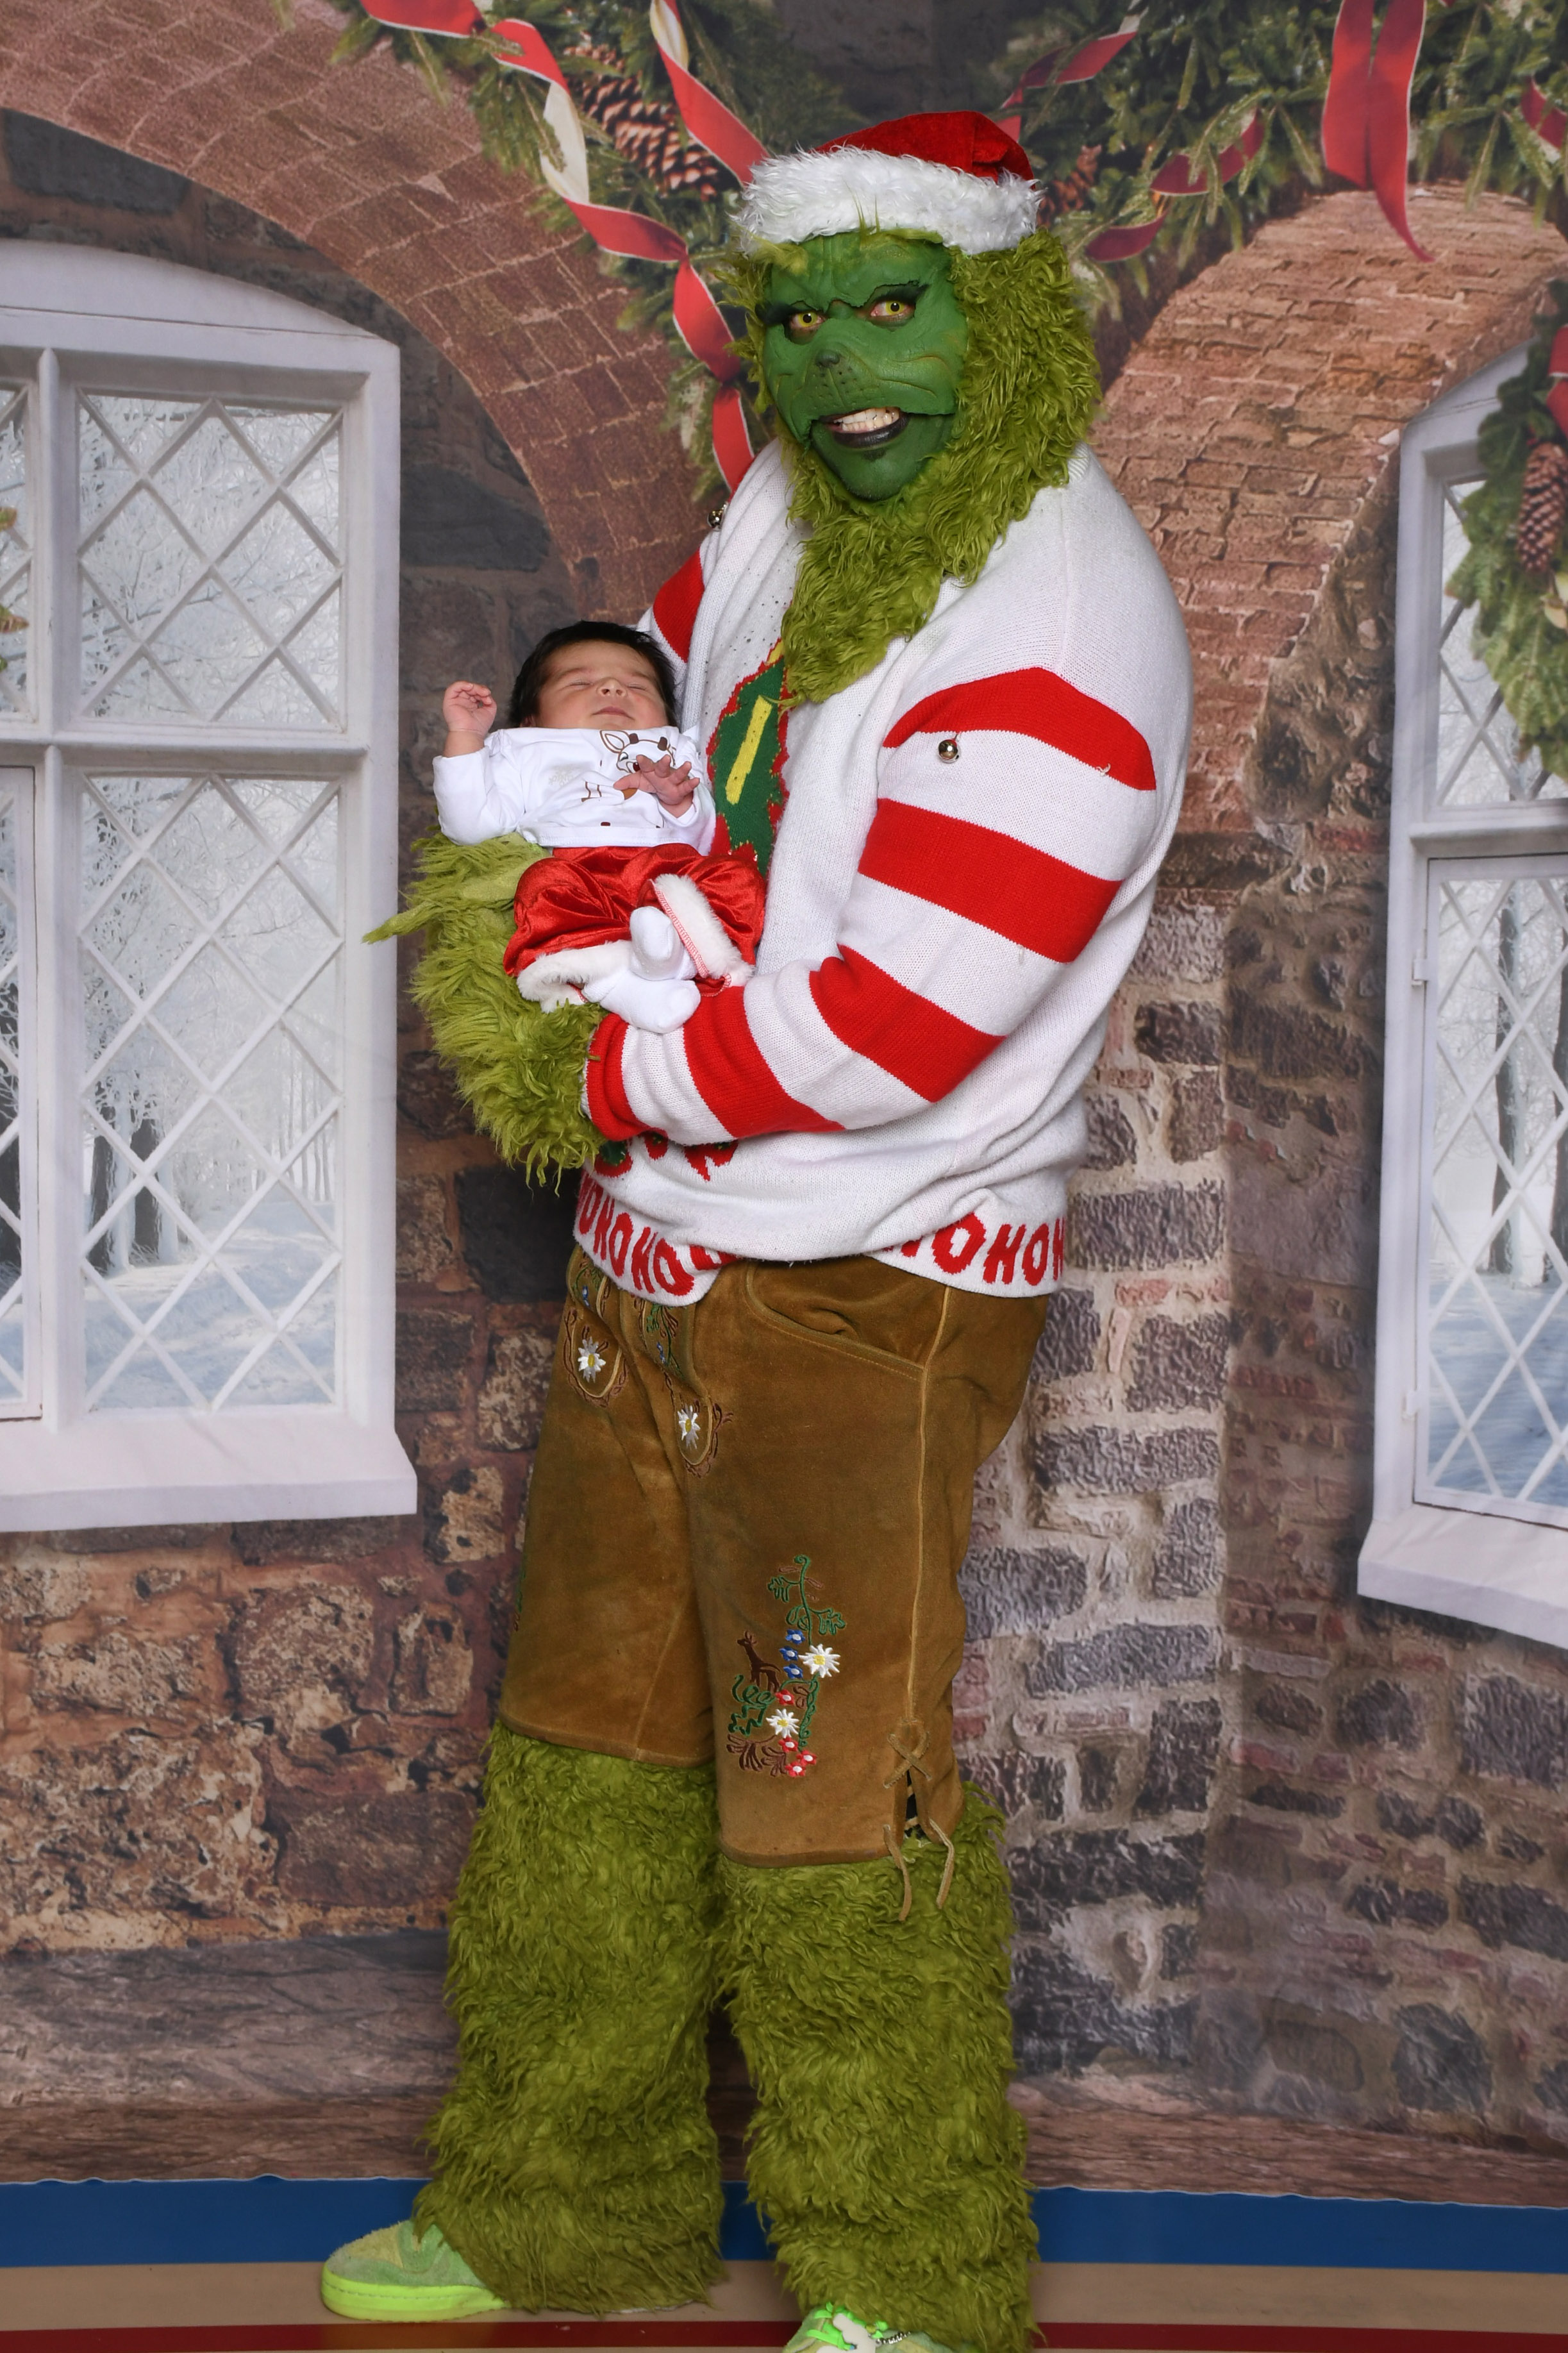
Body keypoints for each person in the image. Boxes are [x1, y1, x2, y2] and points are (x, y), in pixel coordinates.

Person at [322, 110, 1191, 2353]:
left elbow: (888, 1023)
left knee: (826, 1792)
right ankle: (552, 2208)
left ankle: (903, 2278)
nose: (835, 372)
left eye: (888, 311)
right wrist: (525, 784)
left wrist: (580, 1076)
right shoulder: (791, 506)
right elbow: (658, 723)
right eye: (796, 323)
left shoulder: (1065, 615)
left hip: (860, 1295)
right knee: (584, 1752)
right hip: (650, 1264)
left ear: (998, 313)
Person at [437, 621, 761, 1032]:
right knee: (541, 886)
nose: (612, 688)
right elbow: (468, 824)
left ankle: (673, 959)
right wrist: (465, 736)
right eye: (580, 682)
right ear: (531, 721)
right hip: (579, 871)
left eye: (637, 685)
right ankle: (620, 983)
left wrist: (677, 801)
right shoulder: (525, 751)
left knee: (737, 878)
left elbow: (704, 837)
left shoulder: (670, 750)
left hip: (666, 871)